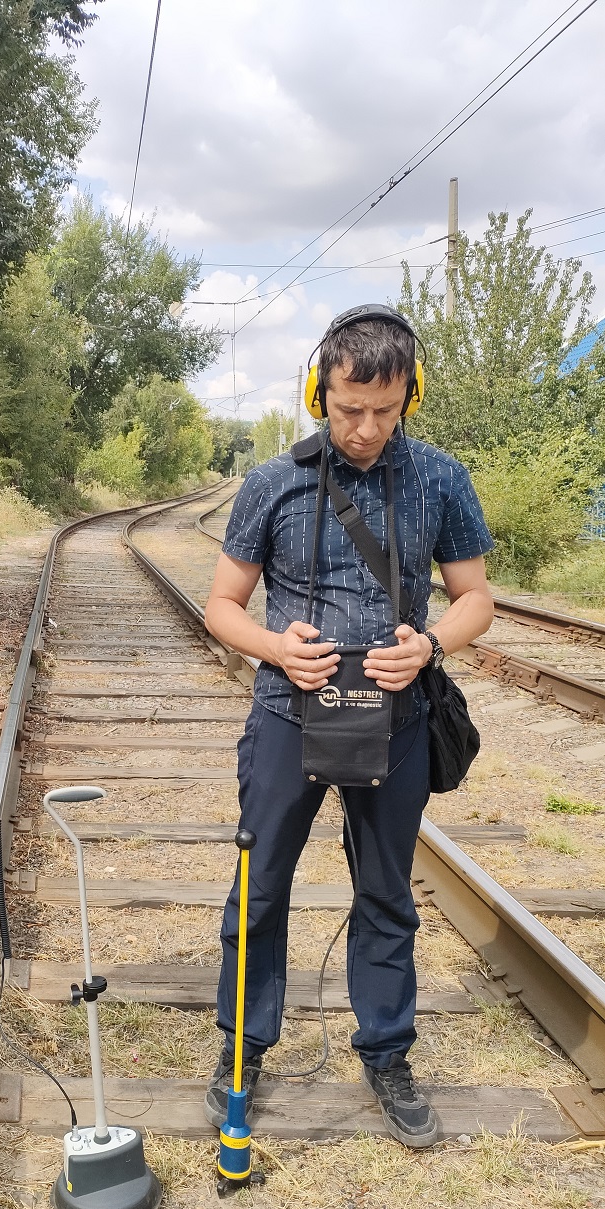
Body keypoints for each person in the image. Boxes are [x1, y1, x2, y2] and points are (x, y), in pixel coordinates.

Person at [203, 305, 494, 1148]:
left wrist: (430, 645)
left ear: (410, 396)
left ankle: (387, 1054)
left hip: (396, 722)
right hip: (286, 717)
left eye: (384, 411)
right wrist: (274, 647)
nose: (365, 429)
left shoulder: (440, 478)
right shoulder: (272, 482)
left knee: (385, 894)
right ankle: (241, 1048)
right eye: (347, 409)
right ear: (317, 394)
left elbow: (475, 598)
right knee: (259, 890)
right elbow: (221, 605)